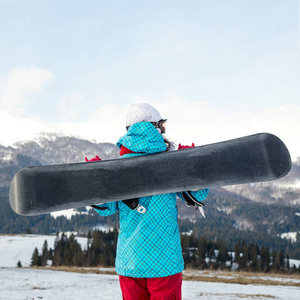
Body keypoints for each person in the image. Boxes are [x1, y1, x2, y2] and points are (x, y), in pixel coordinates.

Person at [91, 103, 209, 300]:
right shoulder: (171, 164)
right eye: (162, 126)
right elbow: (197, 196)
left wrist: (95, 185)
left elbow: (107, 208)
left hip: (130, 262)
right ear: (155, 127)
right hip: (165, 262)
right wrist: (191, 168)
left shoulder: (118, 169)